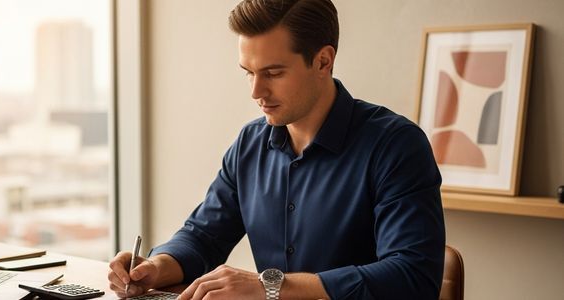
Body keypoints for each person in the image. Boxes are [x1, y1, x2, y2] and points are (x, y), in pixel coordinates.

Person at [107, 0, 446, 299]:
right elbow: (203, 237)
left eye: (273, 73)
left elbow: (412, 278)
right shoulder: (249, 144)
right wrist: (156, 266)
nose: (256, 91)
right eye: (249, 73)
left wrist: (271, 286)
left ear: (323, 61)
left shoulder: (396, 145)